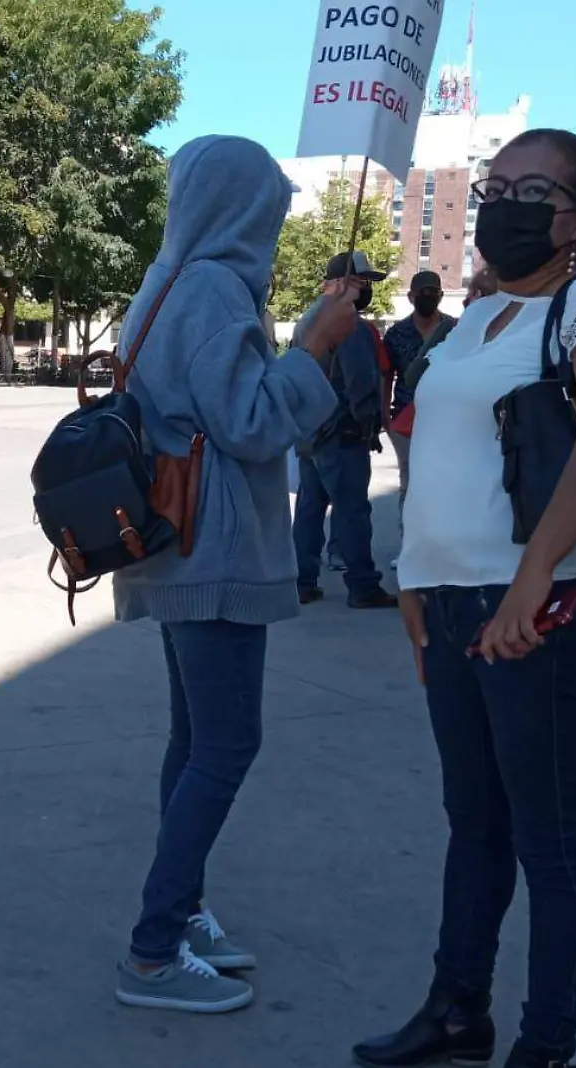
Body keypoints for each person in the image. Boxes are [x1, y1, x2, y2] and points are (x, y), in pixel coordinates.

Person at [355, 129, 576, 1068]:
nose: (507, 204)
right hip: (448, 599)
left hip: (541, 604)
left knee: (548, 837)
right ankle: (456, 1010)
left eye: (536, 189)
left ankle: (546, 1042)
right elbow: (440, 461)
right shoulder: (476, 318)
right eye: (498, 185)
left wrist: (530, 581)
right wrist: (411, 573)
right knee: (474, 826)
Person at [109, 134, 347, 1015]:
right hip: (213, 548)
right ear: (245, 212)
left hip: (175, 543)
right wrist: (313, 346)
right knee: (226, 744)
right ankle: (152, 950)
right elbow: (251, 423)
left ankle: (185, 910)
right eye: (270, 214)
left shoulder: (167, 278)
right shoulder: (212, 289)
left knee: (193, 740)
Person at [292, 252, 397, 609]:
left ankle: (302, 581)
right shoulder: (346, 320)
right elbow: (362, 382)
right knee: (352, 510)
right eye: (359, 281)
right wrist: (368, 426)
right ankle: (363, 585)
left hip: (309, 431)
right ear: (337, 283)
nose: (365, 288)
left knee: (310, 507)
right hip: (340, 432)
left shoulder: (307, 320)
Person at [383, 270, 455, 533]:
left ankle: (441, 538)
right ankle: (409, 540)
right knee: (410, 481)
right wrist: (385, 418)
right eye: (421, 293)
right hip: (404, 417)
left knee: (443, 479)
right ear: (411, 296)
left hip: (445, 417)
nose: (427, 297)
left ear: (441, 296)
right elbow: (386, 377)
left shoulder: (455, 329)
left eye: (432, 292)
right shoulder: (396, 334)